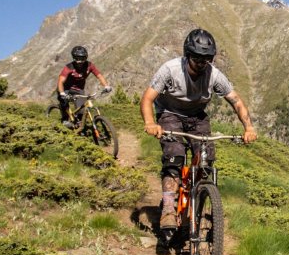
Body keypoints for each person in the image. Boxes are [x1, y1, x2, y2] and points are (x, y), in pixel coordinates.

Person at [140, 28, 257, 231]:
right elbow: (147, 98)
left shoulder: (214, 75)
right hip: (170, 113)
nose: (202, 64)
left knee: (206, 159)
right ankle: (168, 208)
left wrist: (249, 127)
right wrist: (151, 123)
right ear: (188, 56)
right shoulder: (170, 69)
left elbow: (236, 101)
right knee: (174, 156)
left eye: (207, 59)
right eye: (197, 59)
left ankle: (198, 201)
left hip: (197, 116)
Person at [56, 45, 112, 128]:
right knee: (64, 102)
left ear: (85, 58)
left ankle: (79, 125)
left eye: (82, 58)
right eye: (77, 58)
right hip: (65, 88)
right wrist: (62, 93)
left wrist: (106, 86)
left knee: (81, 110)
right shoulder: (69, 67)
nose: (80, 61)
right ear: (73, 58)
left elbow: (99, 75)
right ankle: (64, 120)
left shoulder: (90, 66)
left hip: (79, 89)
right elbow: (60, 81)